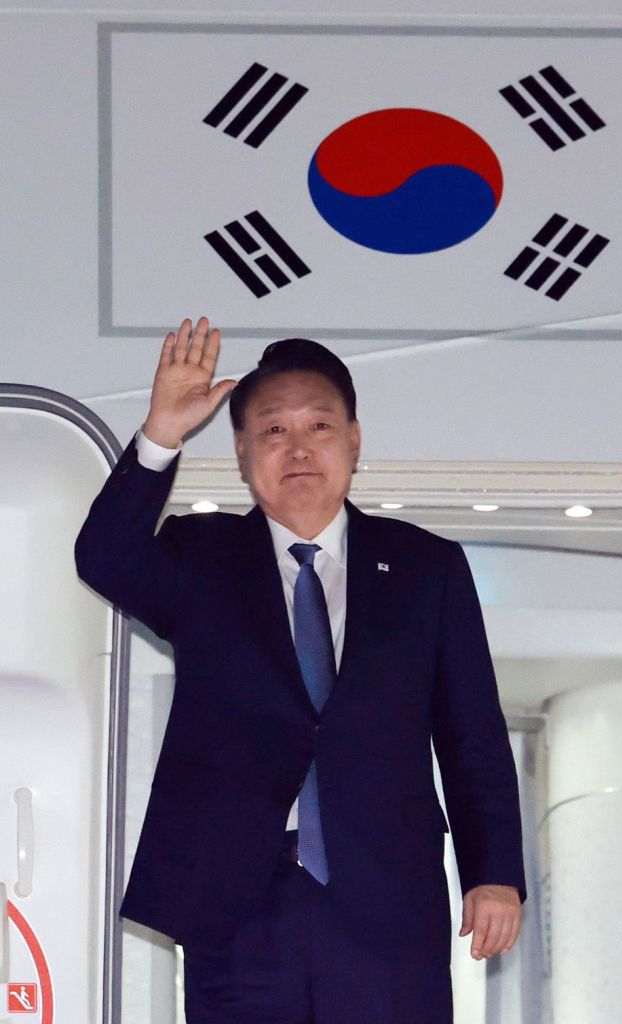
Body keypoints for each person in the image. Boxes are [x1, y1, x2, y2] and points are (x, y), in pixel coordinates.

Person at [75, 316, 527, 1024]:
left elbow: (472, 737)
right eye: (273, 430)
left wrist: (493, 872)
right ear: (242, 451)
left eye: (319, 425)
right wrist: (161, 433)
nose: (298, 448)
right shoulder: (201, 555)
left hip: (387, 901)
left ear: (354, 440)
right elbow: (104, 559)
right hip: (237, 903)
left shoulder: (425, 567)